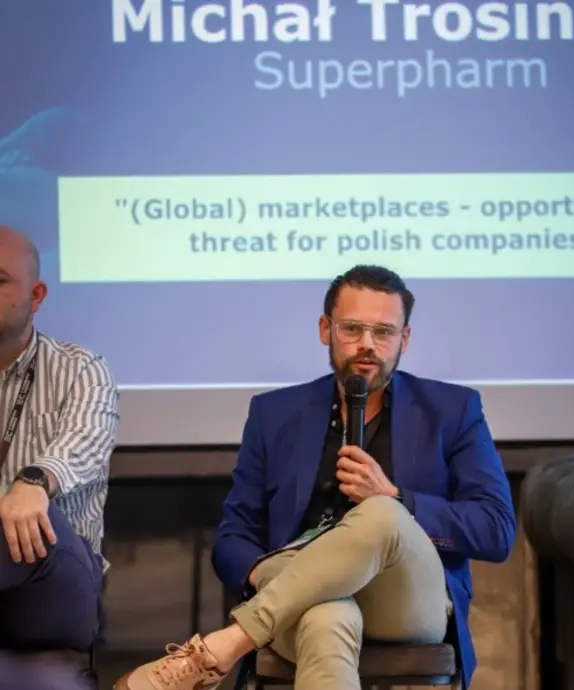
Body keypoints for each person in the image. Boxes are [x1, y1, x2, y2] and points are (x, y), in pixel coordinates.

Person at [116, 265, 516, 690]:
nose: (367, 344)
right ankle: (261, 620)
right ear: (326, 329)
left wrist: (398, 499)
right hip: (297, 593)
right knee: (327, 615)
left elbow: (495, 529)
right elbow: (234, 536)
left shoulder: (452, 410)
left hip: (405, 598)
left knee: (382, 513)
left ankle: (226, 645)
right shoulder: (274, 414)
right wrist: (275, 577)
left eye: (383, 332)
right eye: (353, 328)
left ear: (405, 338)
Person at [0, 226, 119, 656]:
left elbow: (85, 442)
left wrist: (32, 483)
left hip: (56, 572)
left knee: (25, 517)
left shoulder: (82, 369)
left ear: (36, 296)